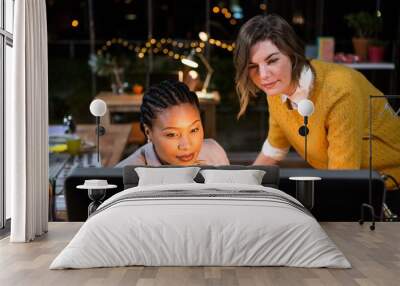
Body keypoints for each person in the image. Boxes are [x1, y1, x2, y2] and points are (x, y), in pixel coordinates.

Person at [233, 14, 400, 189]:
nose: (264, 75)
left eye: (272, 60)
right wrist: (245, 188)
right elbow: (275, 147)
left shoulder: (340, 90)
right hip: (351, 184)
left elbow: (343, 177)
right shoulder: (276, 88)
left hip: (390, 185)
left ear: (292, 54)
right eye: (253, 67)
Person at [116, 80, 229, 166]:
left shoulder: (215, 154)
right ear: (148, 132)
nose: (186, 146)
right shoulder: (125, 176)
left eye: (194, 129)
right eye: (172, 134)